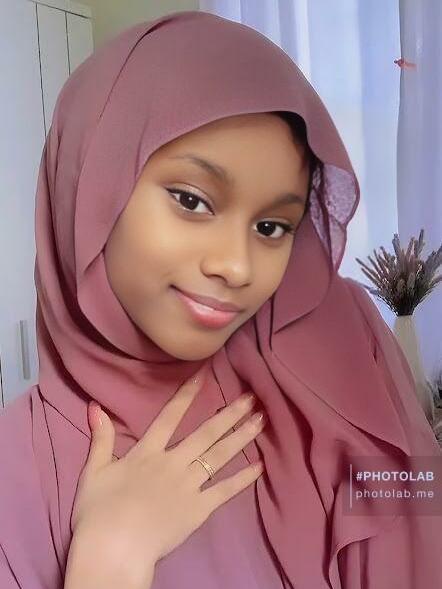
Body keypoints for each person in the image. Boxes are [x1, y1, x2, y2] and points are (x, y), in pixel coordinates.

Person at [0, 9, 440, 589]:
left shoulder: (338, 340)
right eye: (191, 201)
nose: (237, 267)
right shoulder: (18, 469)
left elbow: (420, 514)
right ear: (90, 185)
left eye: (271, 227)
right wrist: (107, 564)